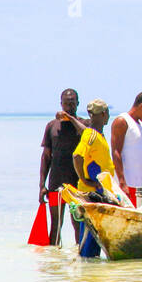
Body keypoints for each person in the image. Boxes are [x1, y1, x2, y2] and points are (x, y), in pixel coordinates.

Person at [39, 88, 85, 245]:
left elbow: (86, 133)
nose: (69, 106)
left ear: (78, 103)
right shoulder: (52, 126)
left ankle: (80, 259)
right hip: (55, 183)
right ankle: (54, 262)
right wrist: (41, 185)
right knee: (55, 225)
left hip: (77, 184)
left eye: (72, 103)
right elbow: (46, 157)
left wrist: (70, 118)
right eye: (66, 103)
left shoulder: (83, 124)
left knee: (78, 222)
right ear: (61, 104)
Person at [69, 99, 115, 257]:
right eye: (108, 113)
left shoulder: (98, 135)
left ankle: (91, 278)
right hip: (91, 195)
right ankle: (85, 274)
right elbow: (77, 156)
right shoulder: (91, 135)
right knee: (88, 244)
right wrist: (84, 179)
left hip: (100, 194)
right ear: (103, 114)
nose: (108, 116)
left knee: (95, 243)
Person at [111, 91, 142, 198]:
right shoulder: (122, 121)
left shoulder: (140, 124)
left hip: (140, 186)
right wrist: (122, 182)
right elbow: (115, 152)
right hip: (127, 184)